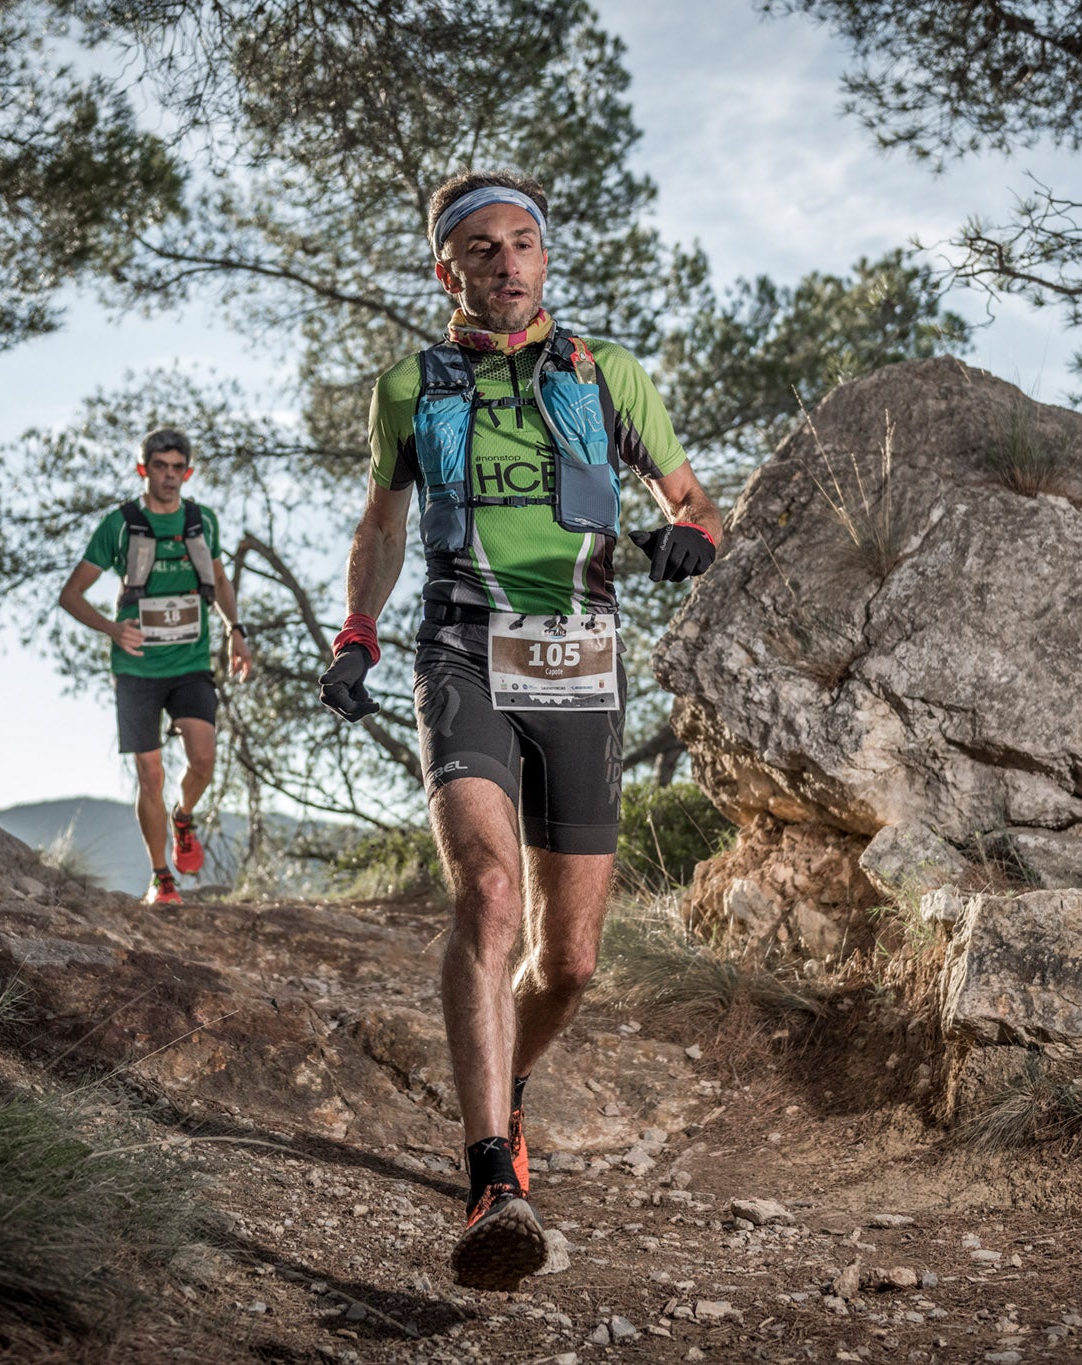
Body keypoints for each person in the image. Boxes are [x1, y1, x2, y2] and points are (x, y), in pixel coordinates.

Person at [319, 171, 720, 1290]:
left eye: (523, 244)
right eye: (481, 249)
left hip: (581, 668)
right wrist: (358, 631)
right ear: (446, 270)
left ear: (544, 258)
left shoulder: (607, 376)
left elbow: (697, 504)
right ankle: (493, 1175)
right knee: (488, 898)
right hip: (461, 655)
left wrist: (690, 536)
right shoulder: (412, 387)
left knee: (573, 963)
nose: (505, 263)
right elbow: (380, 520)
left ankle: (509, 1085)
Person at [60, 428, 252, 905]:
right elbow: (70, 595)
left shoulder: (201, 521)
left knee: (203, 758)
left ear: (187, 473)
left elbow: (222, 581)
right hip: (137, 666)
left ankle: (183, 816)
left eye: (177, 469)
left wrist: (235, 631)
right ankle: (161, 876)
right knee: (150, 776)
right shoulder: (120, 525)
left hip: (190, 660)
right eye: (160, 468)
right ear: (143, 469)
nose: (169, 477)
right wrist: (111, 628)